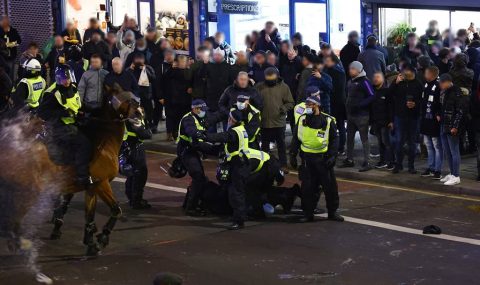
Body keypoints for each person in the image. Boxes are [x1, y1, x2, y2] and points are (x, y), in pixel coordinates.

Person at [37, 65, 93, 186]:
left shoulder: (73, 87)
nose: (67, 81)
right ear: (58, 79)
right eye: (64, 79)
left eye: (68, 78)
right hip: (59, 128)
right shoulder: (52, 94)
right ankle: (82, 177)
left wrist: (88, 110)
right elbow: (42, 112)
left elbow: (78, 104)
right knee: (84, 144)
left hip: (73, 123)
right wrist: (62, 113)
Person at [289, 95, 343, 223]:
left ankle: (332, 212)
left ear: (317, 105)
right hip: (307, 159)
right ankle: (308, 213)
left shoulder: (328, 120)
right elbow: (296, 137)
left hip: (323, 160)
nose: (308, 107)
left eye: (310, 105)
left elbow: (335, 140)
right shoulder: (302, 119)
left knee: (330, 188)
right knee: (308, 188)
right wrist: (292, 154)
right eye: (307, 105)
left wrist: (332, 156)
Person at [204, 110, 251, 230]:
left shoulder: (233, 132)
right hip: (240, 164)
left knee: (236, 193)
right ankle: (238, 216)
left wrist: (205, 136)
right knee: (234, 191)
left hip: (238, 166)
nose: (228, 121)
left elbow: (221, 137)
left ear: (232, 120)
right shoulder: (241, 129)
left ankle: (239, 221)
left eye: (229, 118)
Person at [177, 99, 213, 216]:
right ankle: (190, 208)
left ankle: (188, 203)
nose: (204, 112)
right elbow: (191, 130)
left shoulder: (199, 118)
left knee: (199, 177)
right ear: (195, 109)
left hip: (193, 149)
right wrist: (200, 135)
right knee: (198, 176)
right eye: (202, 109)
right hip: (186, 150)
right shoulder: (188, 119)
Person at [255, 67, 294, 172]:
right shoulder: (259, 87)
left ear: (277, 76)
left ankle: (283, 165)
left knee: (281, 145)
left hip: (278, 122)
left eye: (272, 78)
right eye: (268, 78)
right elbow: (253, 101)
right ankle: (264, 165)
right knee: (264, 146)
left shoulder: (284, 87)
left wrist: (284, 108)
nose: (270, 80)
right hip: (264, 122)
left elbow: (290, 102)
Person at [340, 61, 375, 172]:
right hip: (351, 115)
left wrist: (360, 105)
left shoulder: (365, 82)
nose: (350, 71)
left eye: (352, 69)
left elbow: (372, 96)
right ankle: (349, 159)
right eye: (350, 69)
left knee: (364, 139)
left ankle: (367, 161)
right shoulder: (350, 81)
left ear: (359, 70)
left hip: (362, 116)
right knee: (349, 138)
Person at [389, 64, 423, 174]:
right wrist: (395, 82)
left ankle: (411, 166)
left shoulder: (418, 84)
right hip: (400, 116)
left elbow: (422, 101)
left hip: (413, 117)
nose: (403, 73)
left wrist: (415, 104)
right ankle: (398, 165)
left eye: (406, 71)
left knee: (412, 143)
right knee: (399, 141)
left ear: (412, 72)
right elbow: (389, 95)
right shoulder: (399, 82)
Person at [438, 74, 468, 186]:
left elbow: (460, 112)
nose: (440, 85)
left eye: (441, 83)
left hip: (452, 127)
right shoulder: (446, 92)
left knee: (454, 151)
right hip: (444, 126)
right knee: (448, 151)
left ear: (447, 82)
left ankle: (456, 176)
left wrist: (455, 126)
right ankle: (452, 173)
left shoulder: (457, 93)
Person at [121, 102, 153, 209]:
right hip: (134, 147)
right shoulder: (133, 118)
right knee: (140, 174)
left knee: (132, 173)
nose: (141, 109)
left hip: (130, 147)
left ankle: (132, 197)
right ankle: (136, 201)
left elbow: (148, 132)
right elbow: (146, 134)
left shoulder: (136, 117)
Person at [420, 66, 443, 179]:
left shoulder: (438, 86)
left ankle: (437, 170)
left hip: (434, 122)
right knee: (428, 145)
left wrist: (438, 114)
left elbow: (440, 103)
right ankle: (430, 167)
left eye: (426, 73)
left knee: (437, 146)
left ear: (432, 74)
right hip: (425, 120)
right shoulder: (425, 85)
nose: (425, 75)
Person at [162, 55, 191, 140]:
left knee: (175, 118)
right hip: (178, 100)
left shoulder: (170, 72)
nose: (186, 63)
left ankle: (174, 134)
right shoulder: (184, 73)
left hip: (176, 100)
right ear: (180, 62)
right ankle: (176, 134)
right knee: (177, 118)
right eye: (185, 61)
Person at [324, 55, 347, 154]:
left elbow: (335, 89)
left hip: (336, 102)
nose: (326, 62)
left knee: (337, 125)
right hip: (338, 102)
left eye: (328, 60)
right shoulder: (338, 70)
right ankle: (338, 147)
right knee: (338, 125)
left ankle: (339, 147)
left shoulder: (336, 72)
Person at [371, 72, 394, 169]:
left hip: (385, 122)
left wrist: (391, 120)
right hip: (376, 121)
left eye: (378, 77)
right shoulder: (371, 91)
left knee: (386, 142)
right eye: (374, 77)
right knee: (380, 142)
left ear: (383, 79)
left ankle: (391, 162)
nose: (375, 79)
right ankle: (383, 160)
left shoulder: (387, 91)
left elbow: (391, 107)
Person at [199, 47, 231, 114]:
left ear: (222, 56)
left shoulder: (228, 66)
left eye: (219, 55)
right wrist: (204, 64)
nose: (217, 56)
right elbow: (201, 76)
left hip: (224, 96)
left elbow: (231, 81)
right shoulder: (209, 65)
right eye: (215, 55)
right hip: (211, 96)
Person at [129, 52, 156, 130]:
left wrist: (145, 70)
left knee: (149, 111)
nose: (139, 61)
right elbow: (127, 78)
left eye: (140, 59)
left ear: (144, 60)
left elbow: (153, 78)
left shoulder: (148, 68)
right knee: (138, 112)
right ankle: (140, 126)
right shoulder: (131, 68)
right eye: (137, 59)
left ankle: (150, 125)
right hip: (136, 95)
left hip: (147, 94)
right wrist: (131, 69)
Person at [155, 49, 175, 138]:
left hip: (178, 95)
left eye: (171, 55)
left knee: (177, 114)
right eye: (167, 55)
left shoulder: (178, 65)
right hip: (167, 95)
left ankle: (176, 133)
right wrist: (160, 96)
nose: (169, 56)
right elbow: (158, 83)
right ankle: (169, 133)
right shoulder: (161, 67)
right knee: (169, 115)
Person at [0, 15, 21, 80]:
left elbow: (18, 41)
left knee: (10, 74)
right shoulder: (0, 31)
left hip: (11, 57)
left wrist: (8, 45)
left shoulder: (13, 31)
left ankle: (10, 87)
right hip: (2, 57)